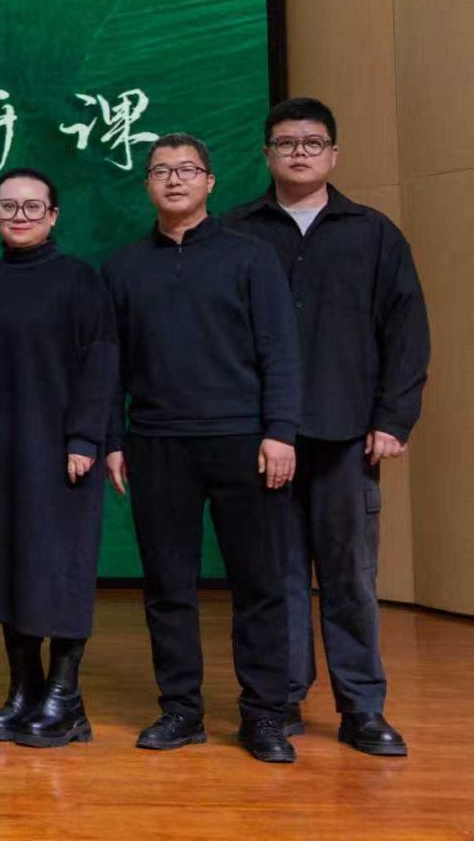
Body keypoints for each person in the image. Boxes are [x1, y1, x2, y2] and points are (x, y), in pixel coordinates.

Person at [224, 98, 428, 757]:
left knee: (349, 576)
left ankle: (362, 707)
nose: (300, 153)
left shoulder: (373, 233)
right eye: (286, 143)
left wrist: (393, 418)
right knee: (274, 575)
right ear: (267, 155)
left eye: (313, 142)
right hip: (264, 437)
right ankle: (279, 699)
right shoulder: (236, 233)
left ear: (334, 154)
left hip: (347, 433)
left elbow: (406, 331)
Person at [103, 132, 303, 764]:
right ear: (147, 185)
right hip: (157, 442)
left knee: (260, 582)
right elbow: (110, 364)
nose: (174, 180)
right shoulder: (124, 266)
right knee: (168, 584)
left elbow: (281, 349)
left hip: (245, 440)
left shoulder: (251, 256)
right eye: (161, 171)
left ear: (210, 182)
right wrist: (113, 439)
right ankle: (181, 710)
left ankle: (265, 713)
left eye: (187, 170)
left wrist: (281, 431)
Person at [0, 169, 117, 748]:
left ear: (53, 215)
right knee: (10, 567)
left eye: (32, 207)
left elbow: (101, 360)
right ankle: (24, 687)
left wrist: (85, 438)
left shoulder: (80, 279)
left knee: (61, 569)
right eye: (9, 207)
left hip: (61, 450)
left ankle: (64, 695)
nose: (20, 216)